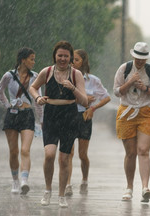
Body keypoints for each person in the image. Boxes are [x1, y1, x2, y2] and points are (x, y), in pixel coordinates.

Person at [29, 41, 88, 208]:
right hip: (51, 115)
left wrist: (73, 88)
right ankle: (48, 190)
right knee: (49, 155)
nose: (62, 59)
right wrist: (38, 98)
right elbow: (33, 88)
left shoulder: (76, 74)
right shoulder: (46, 71)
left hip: (69, 116)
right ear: (55, 56)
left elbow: (84, 101)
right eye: (60, 55)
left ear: (70, 58)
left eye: (66, 56)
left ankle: (61, 195)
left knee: (64, 159)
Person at [113, 42, 150, 203]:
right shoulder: (124, 69)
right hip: (126, 111)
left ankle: (145, 187)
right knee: (131, 153)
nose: (140, 61)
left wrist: (145, 88)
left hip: (146, 112)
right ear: (133, 56)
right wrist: (130, 82)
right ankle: (129, 187)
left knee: (143, 150)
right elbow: (116, 91)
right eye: (138, 58)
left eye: (143, 59)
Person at [0, 47, 43, 195]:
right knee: (13, 151)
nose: (33, 62)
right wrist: (7, 105)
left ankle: (24, 181)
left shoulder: (35, 77)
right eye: (31, 59)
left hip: (28, 114)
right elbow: (0, 91)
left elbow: (38, 99)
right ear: (23, 60)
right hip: (12, 115)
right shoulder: (8, 76)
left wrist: (41, 119)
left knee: (25, 150)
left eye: (34, 59)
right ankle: (15, 180)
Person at [65, 49, 111, 195]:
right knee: (68, 153)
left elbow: (106, 97)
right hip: (69, 116)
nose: (73, 62)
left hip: (84, 117)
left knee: (82, 154)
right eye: (72, 60)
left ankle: (84, 179)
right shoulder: (65, 79)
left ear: (83, 62)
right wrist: (83, 97)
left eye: (76, 60)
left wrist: (93, 108)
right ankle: (67, 184)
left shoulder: (93, 80)